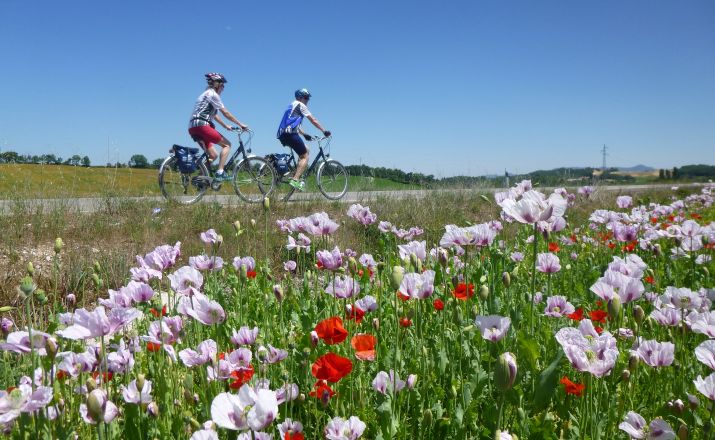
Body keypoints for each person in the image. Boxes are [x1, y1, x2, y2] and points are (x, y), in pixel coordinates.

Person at [188, 73, 249, 181]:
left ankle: (200, 178)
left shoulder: (204, 95)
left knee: (213, 155)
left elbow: (214, 115)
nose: (223, 89)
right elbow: (225, 113)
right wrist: (241, 124)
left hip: (193, 127)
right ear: (217, 84)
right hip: (202, 126)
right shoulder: (213, 94)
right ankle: (220, 172)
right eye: (222, 86)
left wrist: (225, 126)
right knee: (227, 145)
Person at [276, 88, 331, 191]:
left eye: (308, 98)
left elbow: (292, 123)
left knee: (306, 148)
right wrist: (324, 131)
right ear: (300, 97)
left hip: (282, 134)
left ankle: (296, 174)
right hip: (290, 134)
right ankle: (295, 179)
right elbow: (313, 120)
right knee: (305, 156)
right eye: (306, 98)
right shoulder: (301, 105)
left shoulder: (291, 105)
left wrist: (305, 134)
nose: (307, 100)